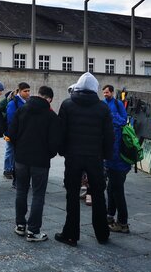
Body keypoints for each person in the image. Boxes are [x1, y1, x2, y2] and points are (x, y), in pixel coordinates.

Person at [55, 72, 114, 247]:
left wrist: (63, 151)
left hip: (73, 156)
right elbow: (109, 136)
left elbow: (61, 132)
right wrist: (106, 155)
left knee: (72, 194)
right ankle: (102, 233)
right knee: (98, 194)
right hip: (94, 156)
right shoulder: (103, 108)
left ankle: (71, 234)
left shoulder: (67, 105)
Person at [8, 85, 60, 242]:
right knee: (38, 195)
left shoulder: (22, 109)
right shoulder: (51, 116)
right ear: (49, 99)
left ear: (38, 95)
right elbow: (54, 143)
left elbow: (11, 134)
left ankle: (20, 225)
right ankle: (33, 231)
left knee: (21, 191)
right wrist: (48, 154)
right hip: (40, 161)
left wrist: (19, 149)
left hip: (21, 159)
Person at [102, 84, 131, 234]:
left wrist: (111, 116)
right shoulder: (104, 105)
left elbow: (124, 120)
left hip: (118, 160)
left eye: (107, 92)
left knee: (117, 190)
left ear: (112, 92)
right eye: (104, 92)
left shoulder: (118, 104)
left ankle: (123, 222)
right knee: (111, 188)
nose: (105, 94)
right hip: (112, 159)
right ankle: (109, 216)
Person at [4, 82, 31, 182]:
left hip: (23, 132)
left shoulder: (28, 102)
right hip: (13, 132)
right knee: (10, 150)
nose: (28, 93)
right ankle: (7, 170)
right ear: (19, 91)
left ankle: (15, 171)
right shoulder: (13, 103)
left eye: (28, 91)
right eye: (25, 91)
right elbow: (11, 119)